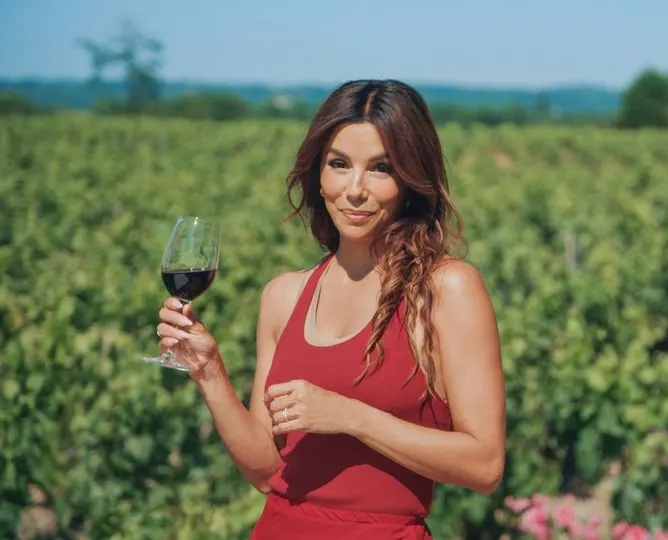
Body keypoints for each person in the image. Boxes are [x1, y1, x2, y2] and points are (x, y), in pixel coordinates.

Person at [154, 79, 506, 539]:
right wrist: (209, 372)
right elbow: (266, 472)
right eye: (339, 164)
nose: (354, 189)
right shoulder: (283, 296)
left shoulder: (446, 289)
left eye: (381, 168)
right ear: (318, 176)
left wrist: (351, 417)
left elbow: (485, 466)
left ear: (409, 181)